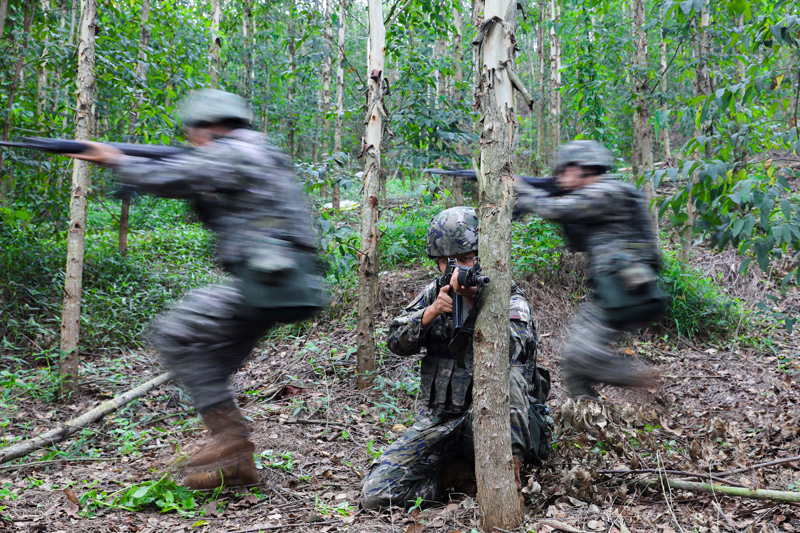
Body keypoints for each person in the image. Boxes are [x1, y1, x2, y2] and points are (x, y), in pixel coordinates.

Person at [65, 89, 324, 489]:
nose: (190, 139)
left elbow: (183, 175)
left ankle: (231, 441)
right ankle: (236, 462)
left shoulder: (239, 151)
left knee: (175, 334)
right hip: (276, 286)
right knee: (210, 362)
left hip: (271, 283)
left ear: (213, 125)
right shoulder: (252, 151)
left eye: (193, 131)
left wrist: (116, 159)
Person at [360, 206, 547, 511]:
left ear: (481, 255)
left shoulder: (506, 296)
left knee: (509, 374)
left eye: (464, 259)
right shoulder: (435, 292)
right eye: (446, 262)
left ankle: (508, 482)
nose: (455, 269)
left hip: (494, 425)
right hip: (443, 422)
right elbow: (395, 341)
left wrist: (475, 300)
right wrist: (430, 313)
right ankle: (453, 477)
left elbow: (514, 349)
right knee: (376, 493)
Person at [514, 140, 664, 399]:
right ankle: (588, 417)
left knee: (581, 356)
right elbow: (578, 241)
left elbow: (557, 210)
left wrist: (521, 188)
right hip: (612, 292)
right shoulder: (597, 194)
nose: (559, 178)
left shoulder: (606, 191)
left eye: (563, 171)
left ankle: (641, 378)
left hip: (628, 292)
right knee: (573, 362)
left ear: (582, 168)